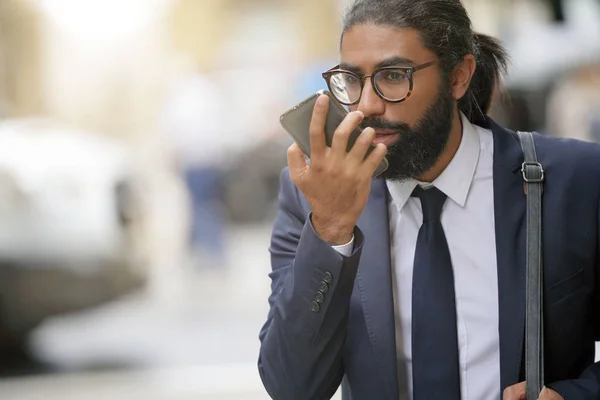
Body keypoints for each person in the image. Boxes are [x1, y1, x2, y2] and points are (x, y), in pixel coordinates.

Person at [258, 1, 600, 399]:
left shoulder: (576, 178)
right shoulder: (311, 196)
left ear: (458, 77)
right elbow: (291, 385)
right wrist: (331, 228)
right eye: (351, 79)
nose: (366, 104)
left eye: (393, 76)